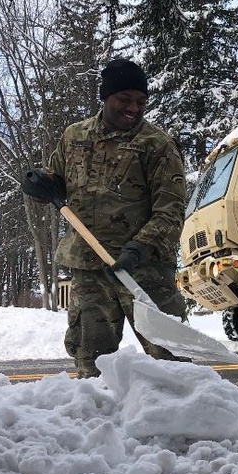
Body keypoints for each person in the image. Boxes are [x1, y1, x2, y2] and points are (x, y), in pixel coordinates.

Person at [27, 58, 189, 378]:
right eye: (124, 99)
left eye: (141, 101)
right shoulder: (74, 137)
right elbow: (57, 181)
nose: (134, 108)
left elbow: (170, 210)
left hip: (144, 271)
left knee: (172, 360)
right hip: (90, 269)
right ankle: (100, 424)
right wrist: (39, 185)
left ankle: (182, 423)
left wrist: (139, 248)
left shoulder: (157, 145)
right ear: (106, 97)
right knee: (92, 364)